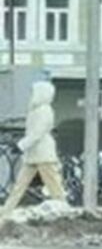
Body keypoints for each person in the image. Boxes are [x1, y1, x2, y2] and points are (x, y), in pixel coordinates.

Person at [2, 80, 67, 213]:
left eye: (34, 91)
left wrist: (21, 146)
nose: (32, 94)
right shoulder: (35, 110)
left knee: (55, 187)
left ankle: (65, 212)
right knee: (19, 186)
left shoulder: (45, 110)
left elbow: (37, 133)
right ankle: (5, 212)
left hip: (43, 154)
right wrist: (22, 146)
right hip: (33, 154)